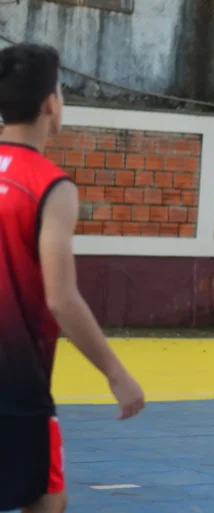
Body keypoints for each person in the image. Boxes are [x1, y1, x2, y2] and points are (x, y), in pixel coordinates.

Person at [0, 43, 146, 513]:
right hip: (16, 385)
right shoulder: (50, 186)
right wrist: (116, 373)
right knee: (48, 502)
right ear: (50, 103)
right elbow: (61, 299)